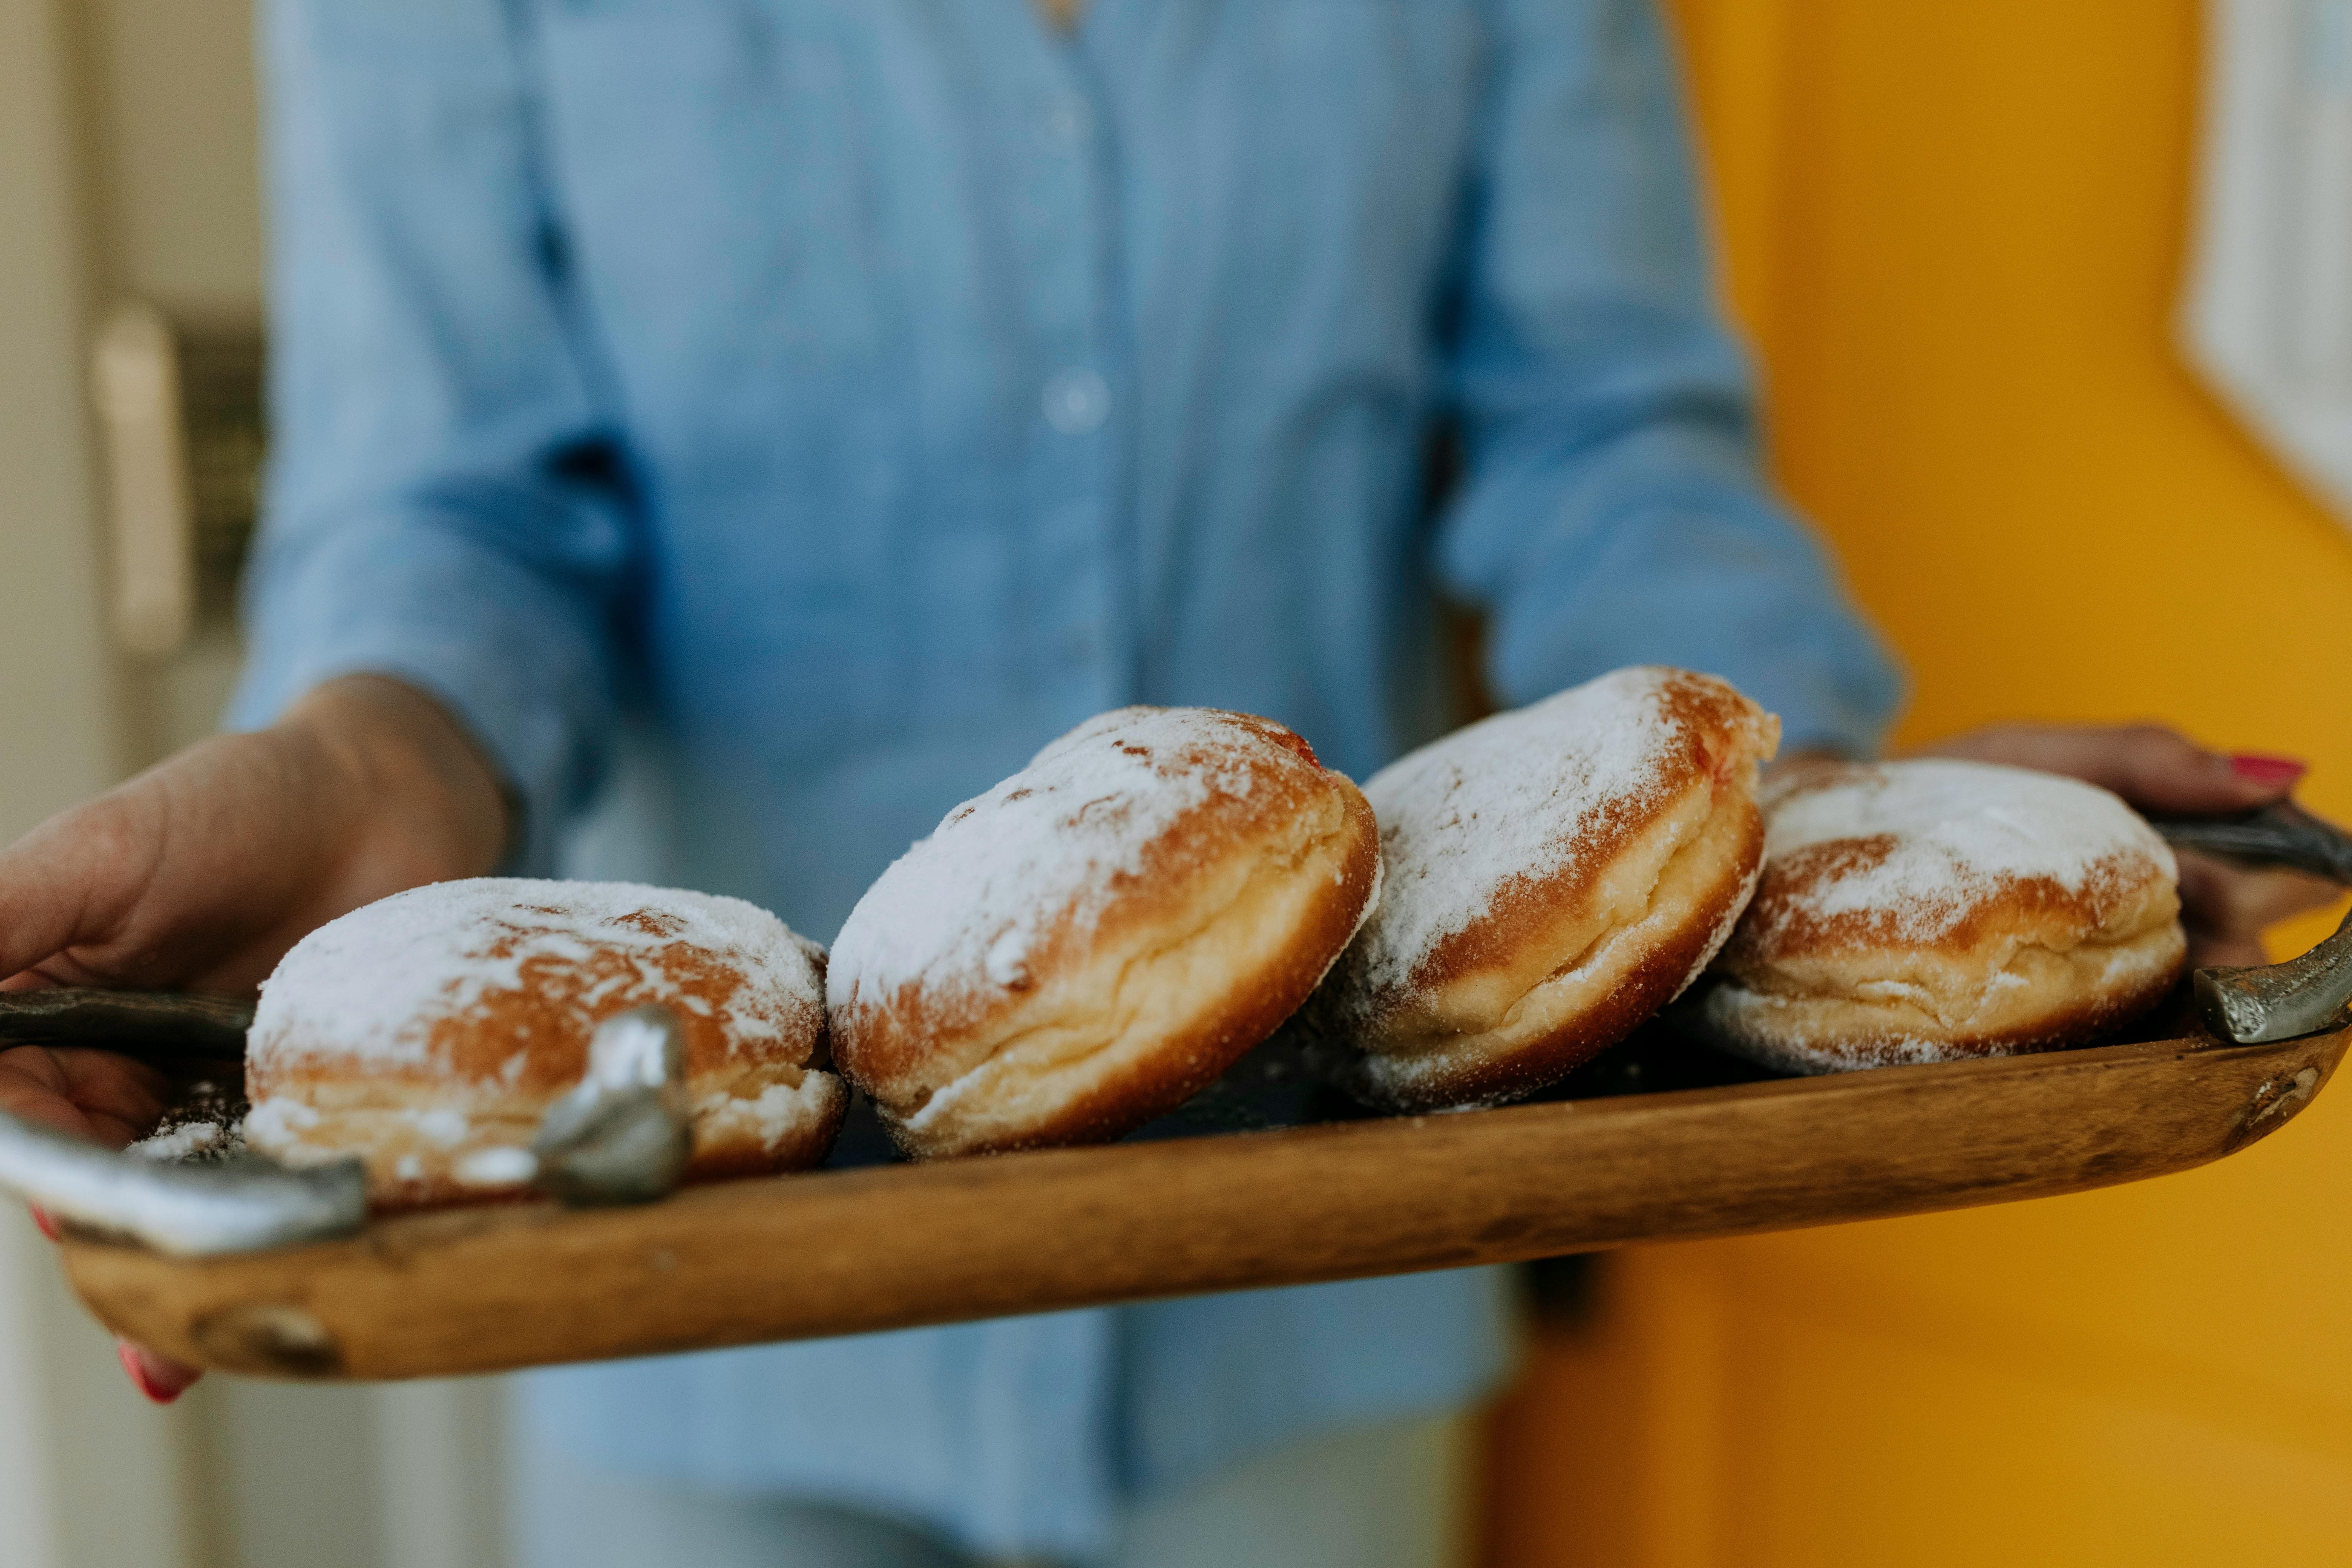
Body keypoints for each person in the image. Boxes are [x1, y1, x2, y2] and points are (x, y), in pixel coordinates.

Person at [0, 0, 2332, 1563]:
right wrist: (357, 764)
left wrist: (1807, 807)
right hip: (686, 1293)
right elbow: (460, 505)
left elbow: (1598, 432)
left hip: (1310, 1285)